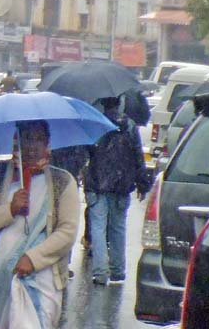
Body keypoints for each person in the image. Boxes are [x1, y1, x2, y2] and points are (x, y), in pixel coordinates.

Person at [0, 121, 79, 328]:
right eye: (27, 138)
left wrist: (32, 258)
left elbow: (67, 231)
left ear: (47, 143)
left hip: (43, 275)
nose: (33, 145)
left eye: (39, 139)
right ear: (16, 141)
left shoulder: (62, 181)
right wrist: (9, 209)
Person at [84, 96, 152, 286]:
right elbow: (138, 156)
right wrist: (142, 184)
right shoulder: (130, 126)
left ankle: (100, 273)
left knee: (98, 228)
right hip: (122, 185)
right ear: (120, 103)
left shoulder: (95, 124)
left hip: (97, 185)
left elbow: (86, 153)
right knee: (118, 228)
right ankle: (118, 271)